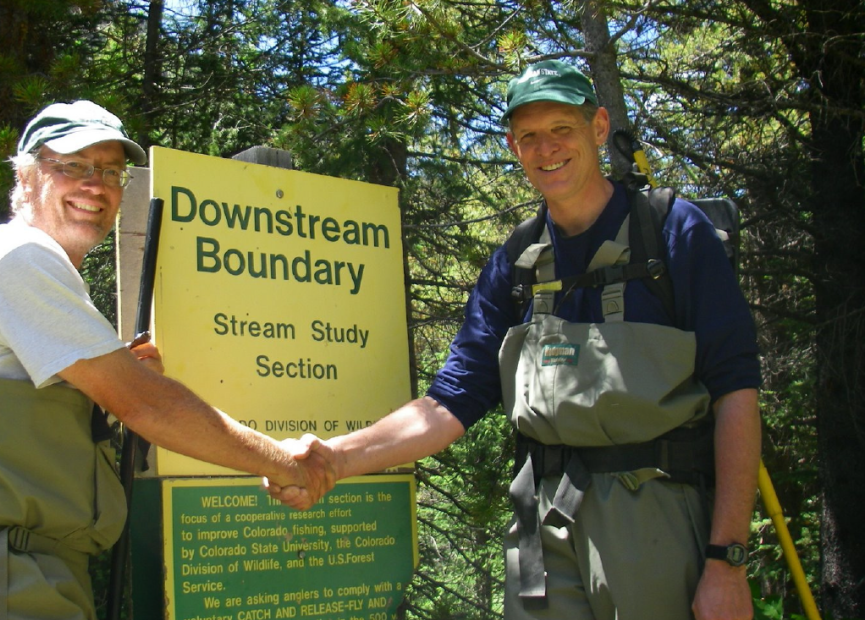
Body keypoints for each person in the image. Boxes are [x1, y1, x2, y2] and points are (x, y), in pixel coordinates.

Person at [271, 60, 762, 620]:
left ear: (598, 127)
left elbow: (736, 394)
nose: (546, 148)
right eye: (529, 135)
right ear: (513, 145)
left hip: (658, 519)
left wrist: (727, 560)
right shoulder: (516, 264)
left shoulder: (673, 232)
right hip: (543, 528)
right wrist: (334, 458)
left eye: (562, 129)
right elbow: (449, 402)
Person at [0, 100, 332, 620]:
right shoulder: (17, 256)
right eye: (73, 166)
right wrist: (285, 464)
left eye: (111, 172)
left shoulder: (37, 271)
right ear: (26, 174)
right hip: (4, 579)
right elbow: (148, 407)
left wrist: (113, 384)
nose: (96, 185)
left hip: (26, 571)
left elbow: (39, 427)